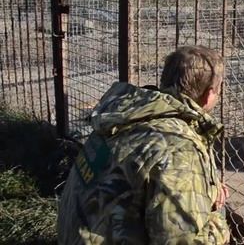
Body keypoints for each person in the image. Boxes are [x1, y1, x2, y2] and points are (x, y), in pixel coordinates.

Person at [57, 45, 230, 244]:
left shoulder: (126, 115)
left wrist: (208, 191)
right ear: (209, 95)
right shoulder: (179, 148)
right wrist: (218, 223)